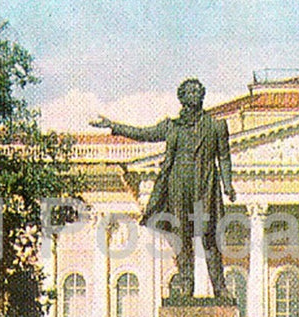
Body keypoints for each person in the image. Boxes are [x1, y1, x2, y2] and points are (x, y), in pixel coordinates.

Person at [90, 77, 236, 298]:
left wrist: (228, 184)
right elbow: (145, 134)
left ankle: (219, 287)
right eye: (190, 92)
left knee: (210, 237)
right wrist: (114, 126)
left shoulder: (216, 126)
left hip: (205, 186)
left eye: (199, 91)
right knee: (182, 237)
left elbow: (224, 157)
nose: (195, 95)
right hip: (179, 186)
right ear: (183, 98)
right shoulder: (172, 127)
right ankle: (187, 285)